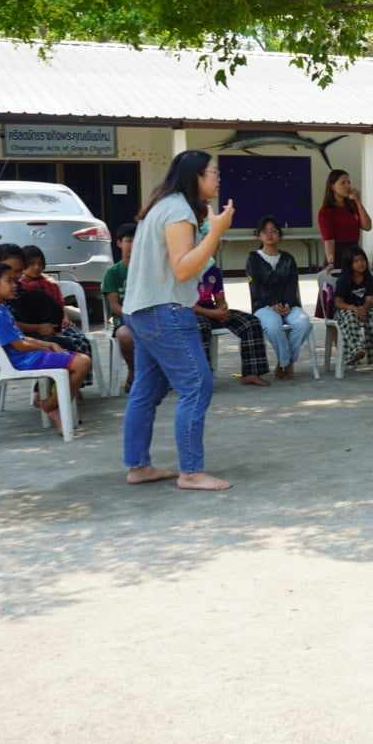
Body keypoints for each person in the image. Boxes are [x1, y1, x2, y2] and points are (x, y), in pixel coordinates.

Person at [121, 149, 234, 490]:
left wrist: (210, 230)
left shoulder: (165, 205)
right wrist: (216, 233)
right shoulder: (177, 210)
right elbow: (183, 268)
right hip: (164, 310)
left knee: (147, 389)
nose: (217, 178)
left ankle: (138, 466)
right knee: (197, 384)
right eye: (212, 172)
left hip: (143, 309)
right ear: (195, 177)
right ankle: (191, 471)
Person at [0, 260, 91, 434]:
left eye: (15, 280)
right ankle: (51, 405)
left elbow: (20, 338)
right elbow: (19, 345)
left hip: (23, 357)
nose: (15, 285)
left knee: (72, 357)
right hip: (22, 360)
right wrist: (46, 348)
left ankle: (55, 405)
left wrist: (48, 344)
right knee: (82, 362)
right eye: (9, 281)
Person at [246, 216, 312, 379]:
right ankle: (286, 362)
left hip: (288, 305)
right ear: (259, 235)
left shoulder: (288, 259)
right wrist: (272, 305)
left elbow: (292, 285)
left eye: (274, 231)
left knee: (303, 322)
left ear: (279, 235)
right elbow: (255, 287)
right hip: (263, 306)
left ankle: (284, 362)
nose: (269, 235)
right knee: (274, 325)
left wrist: (288, 304)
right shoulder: (253, 259)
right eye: (265, 231)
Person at [11, 245, 95, 368]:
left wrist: (65, 318)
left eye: (40, 264)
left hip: (58, 324)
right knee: (71, 344)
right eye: (31, 264)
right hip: (39, 329)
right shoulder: (18, 287)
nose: (36, 267)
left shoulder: (49, 283)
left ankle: (77, 380)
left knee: (82, 341)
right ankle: (66, 379)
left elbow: (59, 304)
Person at [193, 260, 272, 386]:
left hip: (211, 310)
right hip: (189, 312)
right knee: (200, 327)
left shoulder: (213, 270)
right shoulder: (183, 270)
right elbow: (184, 303)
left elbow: (219, 298)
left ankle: (251, 373)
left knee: (251, 322)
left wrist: (222, 309)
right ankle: (202, 379)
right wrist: (214, 313)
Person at [332, 245, 373, 371]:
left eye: (363, 260)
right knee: (351, 319)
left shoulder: (368, 278)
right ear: (349, 264)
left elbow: (369, 299)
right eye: (356, 261)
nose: (361, 263)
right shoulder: (343, 280)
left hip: (364, 308)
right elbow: (338, 302)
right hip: (345, 309)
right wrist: (353, 308)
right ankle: (356, 351)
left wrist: (363, 308)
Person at [102, 223, 137, 390]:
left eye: (137, 240)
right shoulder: (113, 273)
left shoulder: (148, 270)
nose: (133, 245)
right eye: (129, 240)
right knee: (125, 335)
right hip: (122, 319)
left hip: (148, 316)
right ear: (119, 243)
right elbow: (115, 306)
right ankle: (133, 371)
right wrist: (133, 317)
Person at [317, 168, 372, 271]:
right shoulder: (326, 212)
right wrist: (331, 262)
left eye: (349, 182)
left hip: (355, 252)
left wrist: (358, 202)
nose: (348, 186)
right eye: (343, 183)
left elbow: (367, 226)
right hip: (338, 254)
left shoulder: (352, 207)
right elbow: (329, 240)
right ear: (332, 186)